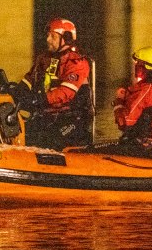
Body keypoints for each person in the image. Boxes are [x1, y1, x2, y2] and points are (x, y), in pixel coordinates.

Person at [10, 17, 93, 150]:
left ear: (66, 38)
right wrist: (15, 91)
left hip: (71, 119)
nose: (48, 39)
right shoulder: (45, 59)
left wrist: (39, 99)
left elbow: (65, 93)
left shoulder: (77, 63)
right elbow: (29, 80)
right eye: (48, 35)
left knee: (47, 140)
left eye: (53, 36)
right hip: (47, 115)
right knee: (18, 133)